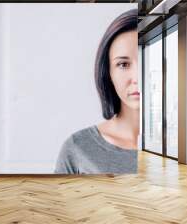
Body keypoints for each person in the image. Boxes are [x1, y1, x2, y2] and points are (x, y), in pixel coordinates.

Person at [55, 9, 139, 174]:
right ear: (108, 73)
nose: (136, 77)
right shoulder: (77, 148)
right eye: (123, 64)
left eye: (145, 58)